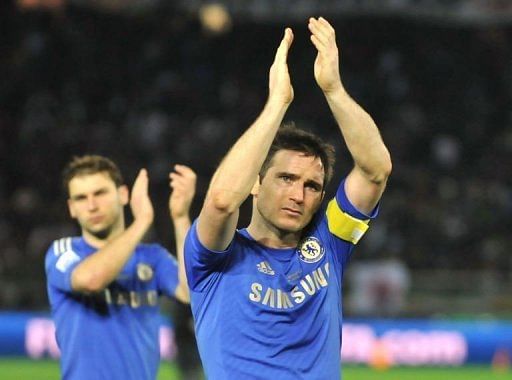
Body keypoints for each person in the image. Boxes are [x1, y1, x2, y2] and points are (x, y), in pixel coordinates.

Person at [184, 17, 392, 379]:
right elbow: (220, 202)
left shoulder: (330, 242)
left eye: (311, 186)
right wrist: (276, 104)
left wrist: (334, 90)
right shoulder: (214, 256)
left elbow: (375, 170)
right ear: (255, 183)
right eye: (285, 178)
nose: (298, 195)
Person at [45, 155, 197, 380]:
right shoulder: (64, 252)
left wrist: (180, 217)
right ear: (71, 208)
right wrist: (141, 222)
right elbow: (92, 279)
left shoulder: (151, 257)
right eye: (81, 198)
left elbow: (190, 293)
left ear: (123, 195)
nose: (92, 205)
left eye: (100, 193)